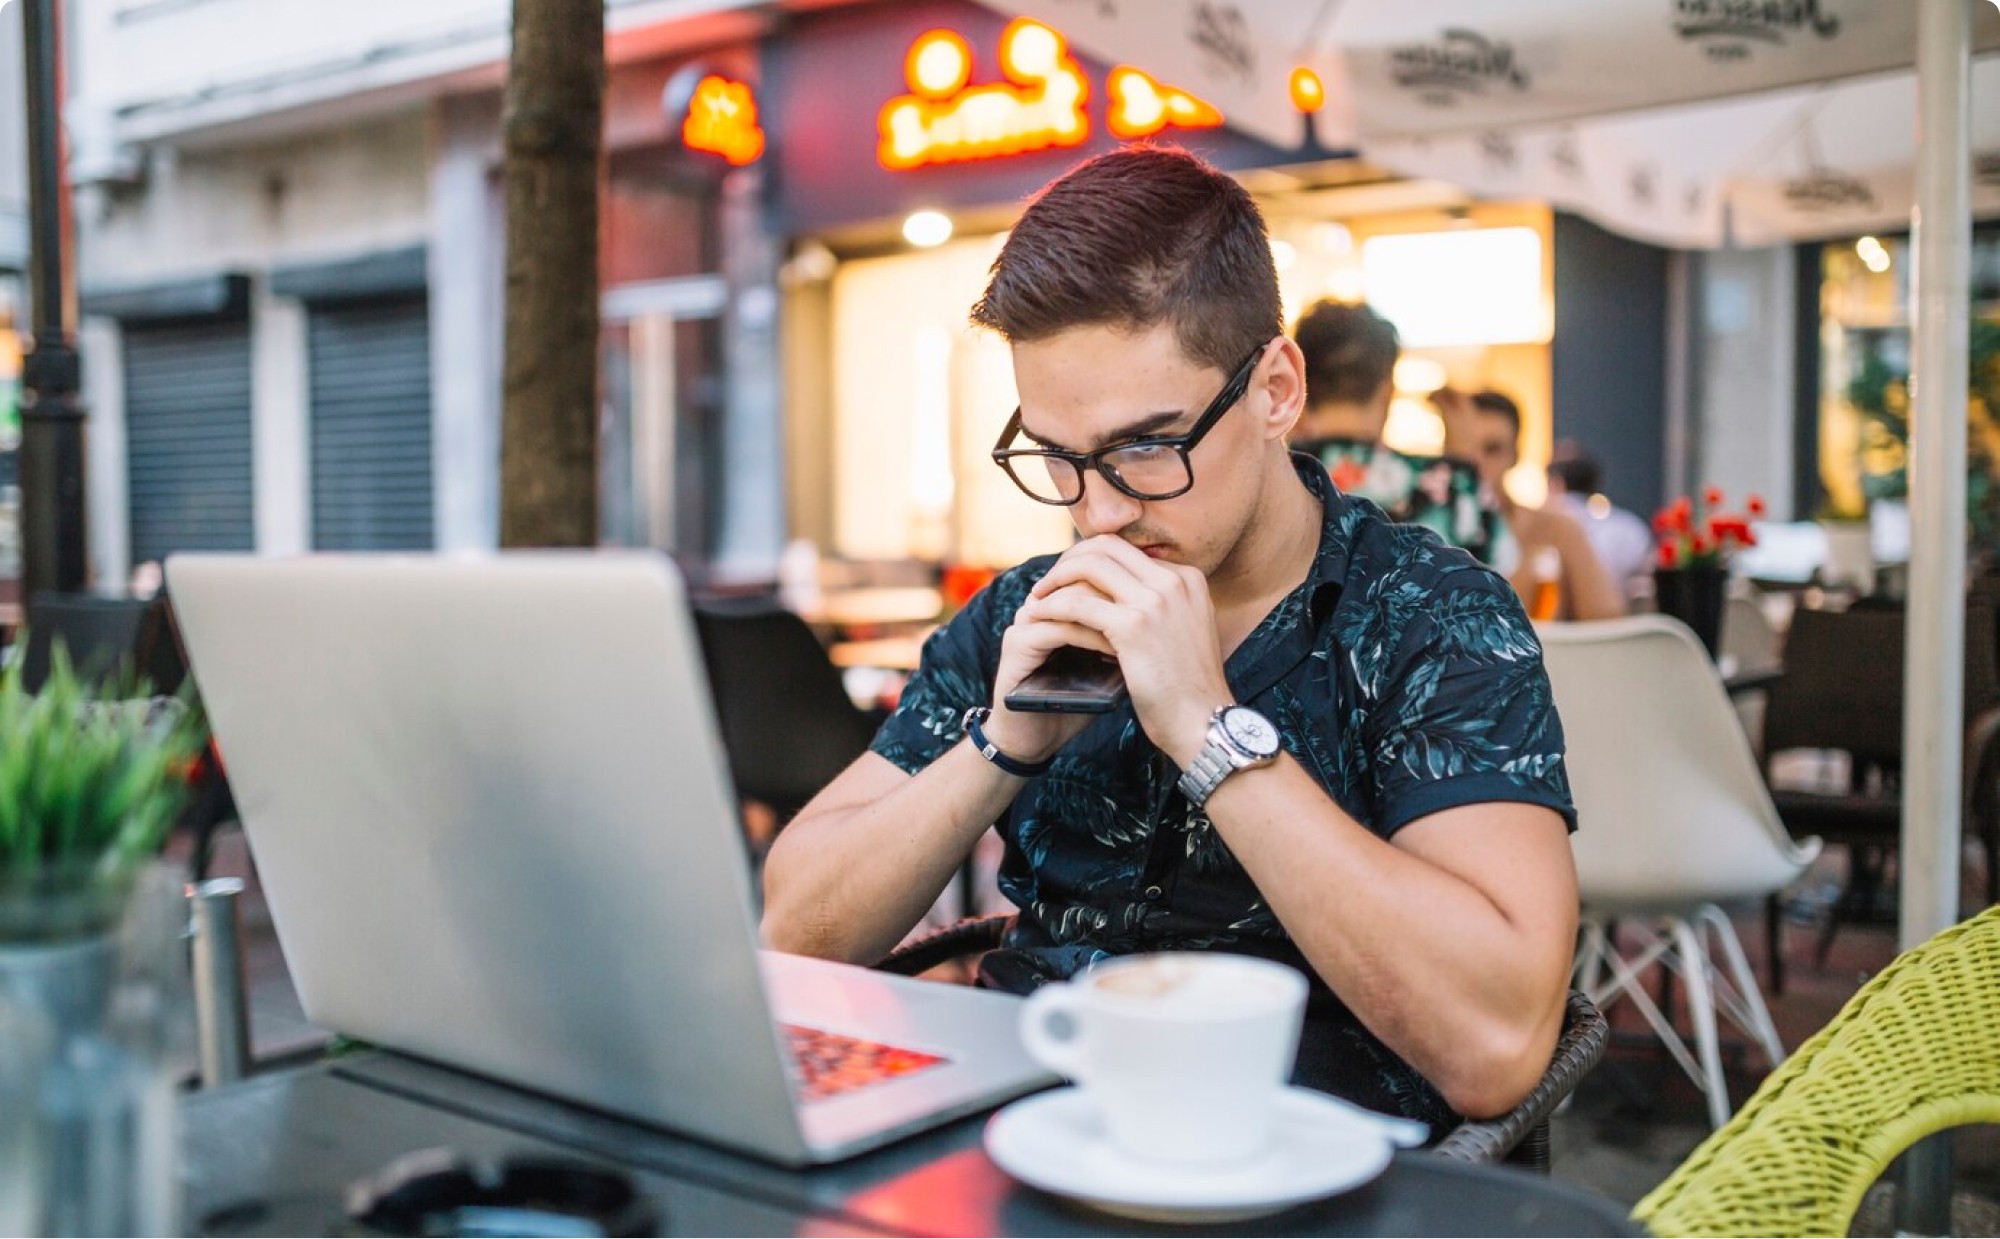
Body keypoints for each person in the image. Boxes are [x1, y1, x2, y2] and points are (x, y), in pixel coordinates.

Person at [761, 147, 1579, 1126]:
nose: (1097, 514)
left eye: (1146, 446)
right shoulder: (1025, 612)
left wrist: (1208, 730)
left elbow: (1494, 1047)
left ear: (1276, 390)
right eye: (1057, 458)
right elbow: (794, 938)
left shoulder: (1428, 619)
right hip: (1016, 1142)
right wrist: (999, 745)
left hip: (1308, 1169)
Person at [1288, 300, 1514, 571]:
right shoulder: (1453, 486)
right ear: (1387, 390)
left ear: (1299, 382)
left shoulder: (1273, 477)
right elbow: (1505, 585)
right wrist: (1463, 464)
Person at [1447, 389, 1627, 622]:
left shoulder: (1557, 530)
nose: (1477, 463)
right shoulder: (1429, 539)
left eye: (1492, 449)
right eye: (1465, 450)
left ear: (1515, 455)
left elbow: (1608, 620)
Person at [1545, 441, 1654, 595]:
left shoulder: (1540, 528)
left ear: (1556, 483)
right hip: (1619, 616)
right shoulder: (1629, 527)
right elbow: (1644, 584)